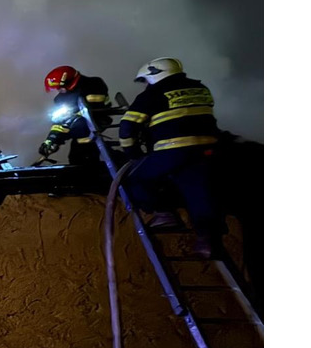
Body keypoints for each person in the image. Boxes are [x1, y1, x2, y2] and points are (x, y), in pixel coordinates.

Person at [119, 57, 222, 257]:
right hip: (207, 150)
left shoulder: (152, 95)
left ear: (155, 75)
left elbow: (127, 127)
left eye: (146, 80)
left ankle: (163, 213)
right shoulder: (200, 89)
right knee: (198, 193)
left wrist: (133, 154)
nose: (146, 85)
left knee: (134, 179)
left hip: (172, 150)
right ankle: (206, 242)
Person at [37, 65, 111, 165]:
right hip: (78, 130)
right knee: (75, 157)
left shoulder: (93, 84)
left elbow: (91, 111)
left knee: (85, 154)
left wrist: (71, 119)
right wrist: (51, 140)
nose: (59, 90)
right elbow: (59, 123)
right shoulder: (60, 99)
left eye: (60, 87)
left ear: (69, 82)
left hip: (94, 123)